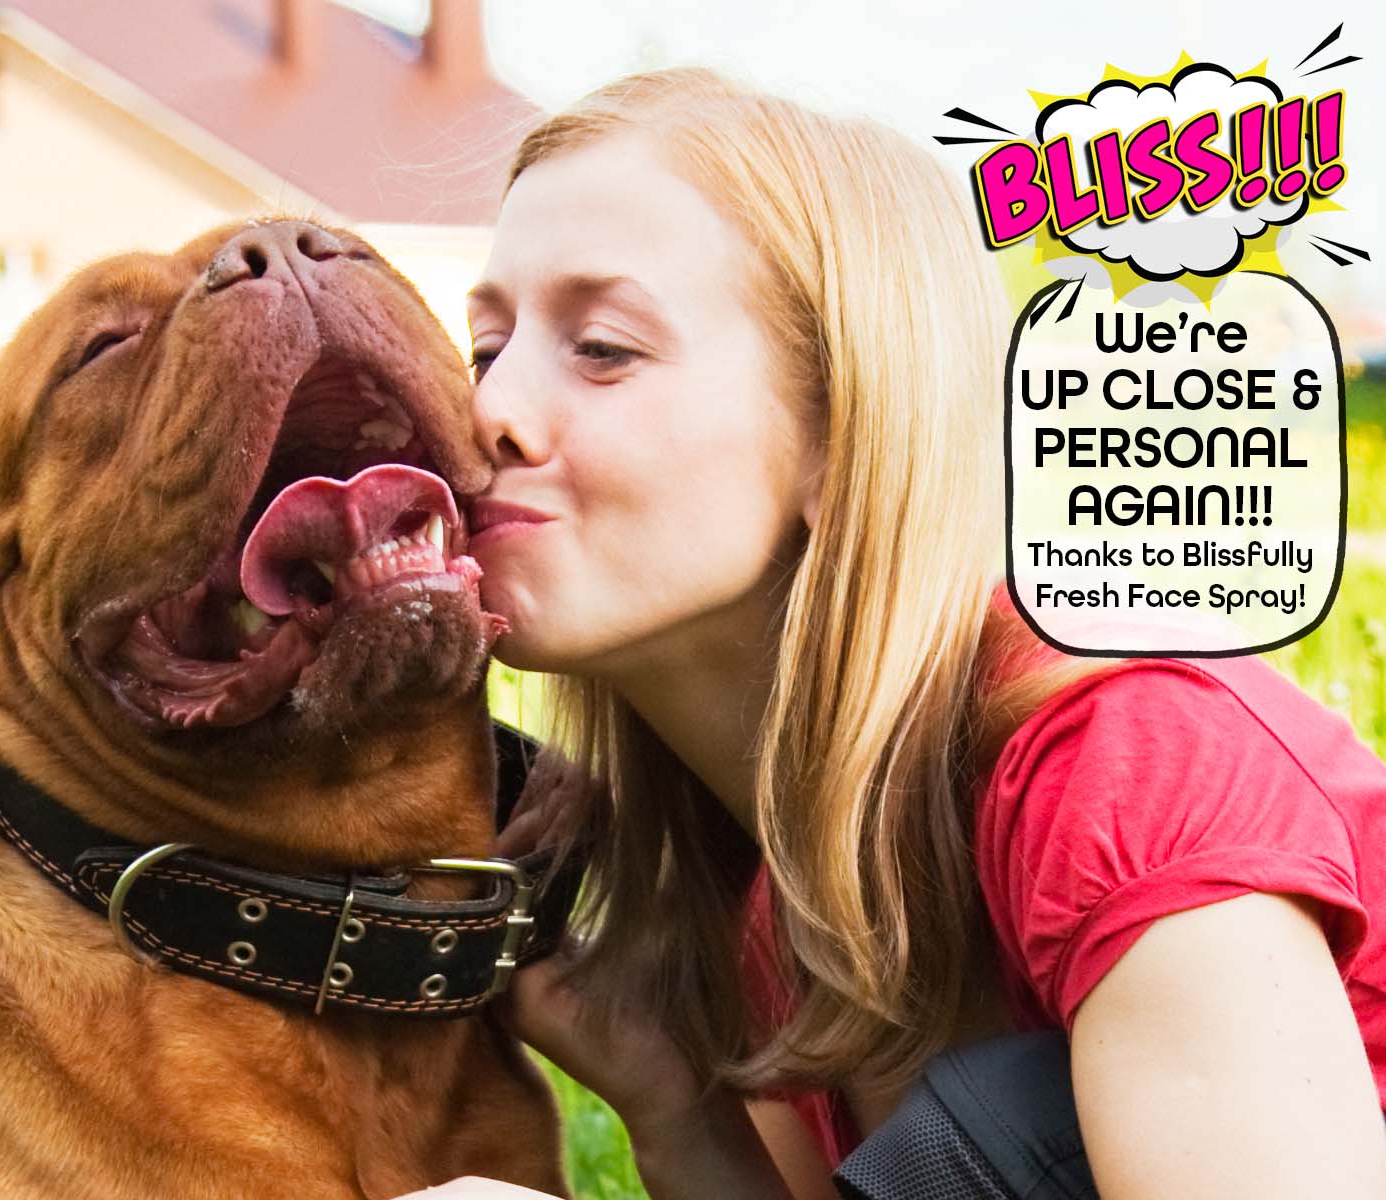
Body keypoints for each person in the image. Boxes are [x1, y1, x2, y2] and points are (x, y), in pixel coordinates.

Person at [404, 68, 1386, 1199]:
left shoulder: (1130, 765)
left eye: (606, 348)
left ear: (844, 430)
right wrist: (678, 1106)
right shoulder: (783, 900)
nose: (486, 412)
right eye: (486, 349)